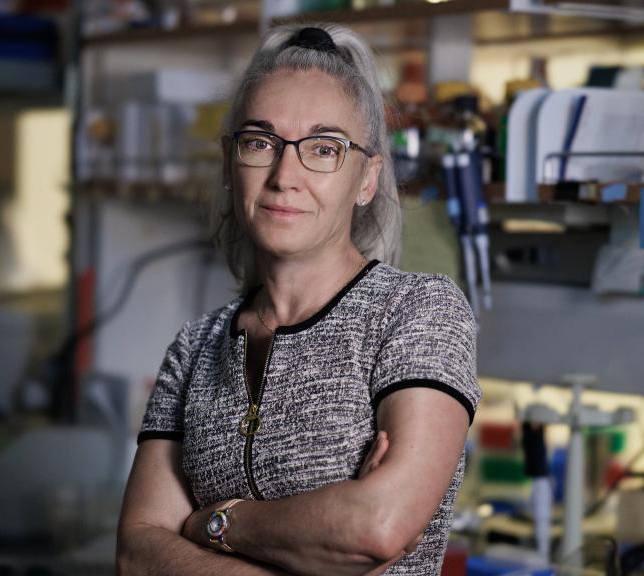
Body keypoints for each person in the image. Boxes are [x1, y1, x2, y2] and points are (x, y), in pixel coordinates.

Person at [116, 23, 480, 576]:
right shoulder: (194, 349)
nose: (285, 176)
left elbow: (377, 527)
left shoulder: (417, 313)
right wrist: (319, 545)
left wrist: (214, 524)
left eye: (324, 149)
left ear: (367, 179)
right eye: (260, 142)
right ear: (229, 162)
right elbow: (137, 555)